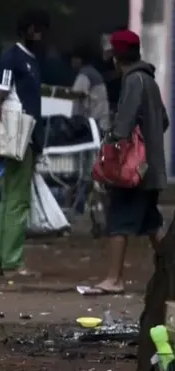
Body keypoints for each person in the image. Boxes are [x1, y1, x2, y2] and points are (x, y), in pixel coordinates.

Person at [82, 30, 168, 296]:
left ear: (117, 58)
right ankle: (172, 271)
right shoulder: (150, 81)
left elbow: (123, 126)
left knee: (118, 220)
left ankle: (114, 278)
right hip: (151, 169)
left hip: (133, 172)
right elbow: (163, 121)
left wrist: (109, 150)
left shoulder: (133, 81)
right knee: (151, 224)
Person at [0, 9, 50, 277]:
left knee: (10, 198)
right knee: (18, 201)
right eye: (36, 30)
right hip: (18, 136)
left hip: (21, 136)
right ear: (26, 31)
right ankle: (13, 261)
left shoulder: (28, 60)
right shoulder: (13, 59)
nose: (40, 35)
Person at [69, 43, 111, 131]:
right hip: (101, 122)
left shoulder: (85, 74)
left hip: (93, 125)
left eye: (73, 58)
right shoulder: (93, 72)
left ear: (80, 60)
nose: (71, 61)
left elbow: (77, 93)